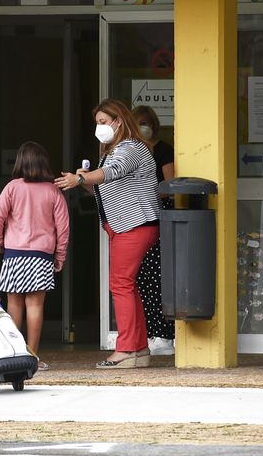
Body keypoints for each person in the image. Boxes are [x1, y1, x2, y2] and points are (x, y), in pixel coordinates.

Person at [55, 98, 159, 369]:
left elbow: (112, 173)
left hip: (134, 224)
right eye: (97, 123)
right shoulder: (114, 150)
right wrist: (86, 182)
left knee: (121, 285)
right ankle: (138, 349)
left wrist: (80, 179)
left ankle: (125, 349)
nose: (99, 127)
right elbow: (106, 186)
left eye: (103, 122)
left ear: (119, 121)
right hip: (128, 225)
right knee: (127, 286)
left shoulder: (131, 148)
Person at [0, 141, 69, 370]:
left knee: (14, 305)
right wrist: (60, 255)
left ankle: (13, 357)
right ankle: (32, 356)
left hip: (14, 254)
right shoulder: (53, 190)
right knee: (35, 306)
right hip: (41, 255)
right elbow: (62, 227)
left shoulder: (12, 187)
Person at [132, 105, 175, 356]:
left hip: (159, 218)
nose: (143, 127)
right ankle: (149, 333)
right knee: (141, 280)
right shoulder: (130, 152)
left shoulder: (162, 149)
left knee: (157, 278)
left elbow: (169, 185)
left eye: (146, 122)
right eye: (139, 122)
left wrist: (148, 193)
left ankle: (165, 335)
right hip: (137, 218)